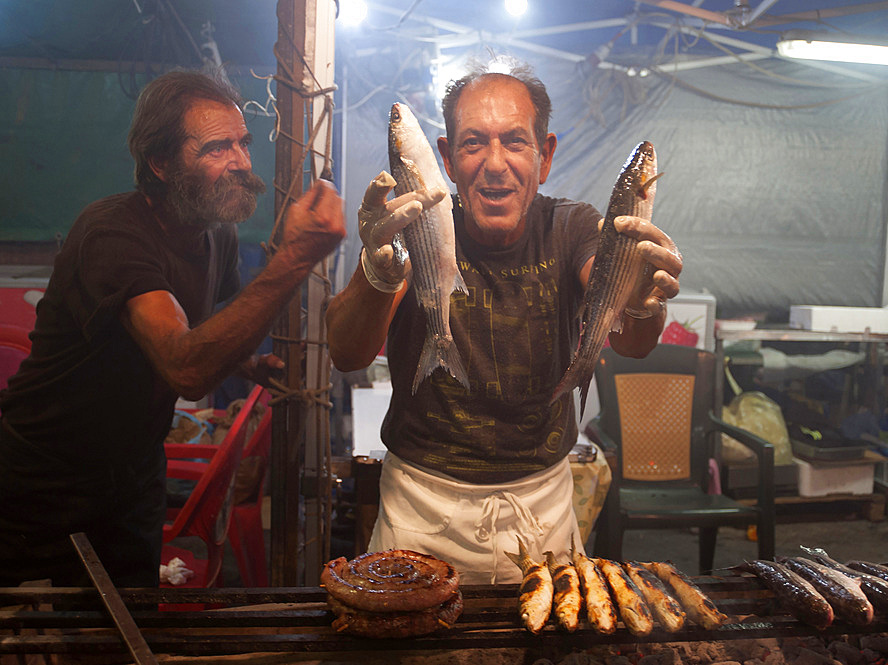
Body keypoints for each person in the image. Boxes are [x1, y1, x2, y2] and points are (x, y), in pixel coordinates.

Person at [325, 62, 682, 584]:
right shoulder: (419, 220)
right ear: (445, 158)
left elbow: (632, 342)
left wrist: (643, 299)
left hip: (543, 509)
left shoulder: (571, 227)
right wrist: (376, 271)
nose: (495, 164)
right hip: (421, 509)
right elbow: (346, 352)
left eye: (516, 141)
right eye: (473, 144)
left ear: (546, 156)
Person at [0, 68, 346, 587]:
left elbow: (198, 322)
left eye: (242, 144)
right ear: (160, 163)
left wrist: (246, 362)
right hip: (44, 475)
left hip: (135, 471)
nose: (241, 163)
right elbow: (185, 365)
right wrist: (294, 257)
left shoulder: (217, 236)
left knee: (129, 626)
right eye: (215, 149)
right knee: (30, 632)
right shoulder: (112, 233)